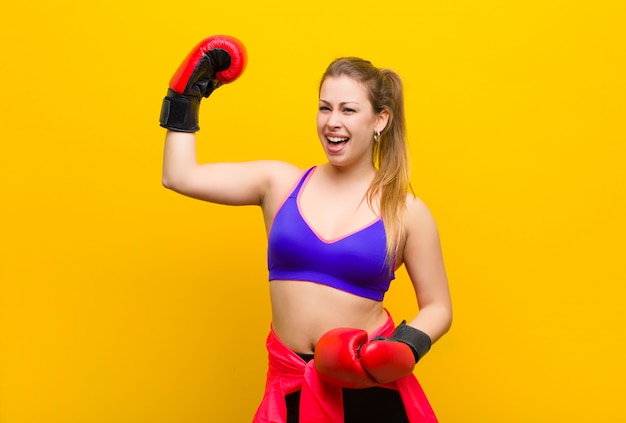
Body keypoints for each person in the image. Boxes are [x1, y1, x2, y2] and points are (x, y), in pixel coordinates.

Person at [160, 35, 452, 423]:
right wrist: (184, 97)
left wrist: (403, 347)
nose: (333, 122)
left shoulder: (406, 211)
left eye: (348, 109)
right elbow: (178, 176)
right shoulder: (278, 183)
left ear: (380, 119)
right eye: (324, 108)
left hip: (368, 389)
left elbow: (439, 307)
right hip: (291, 385)